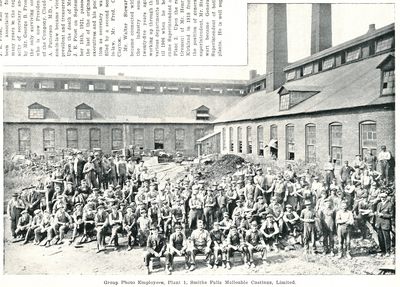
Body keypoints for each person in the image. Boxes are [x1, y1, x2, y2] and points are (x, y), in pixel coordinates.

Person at [375, 192, 394, 257]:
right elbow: (377, 214)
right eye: (381, 197)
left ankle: (387, 251)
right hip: (379, 224)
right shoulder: (379, 204)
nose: (382, 199)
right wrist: (376, 222)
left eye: (383, 197)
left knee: (386, 238)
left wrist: (383, 215)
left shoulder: (390, 204)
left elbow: (391, 215)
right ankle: (382, 251)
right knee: (380, 238)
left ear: (386, 197)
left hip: (385, 224)